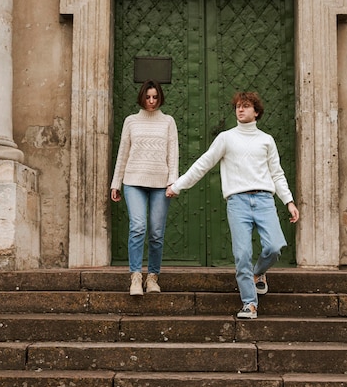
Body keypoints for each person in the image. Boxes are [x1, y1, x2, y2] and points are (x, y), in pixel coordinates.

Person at [166, 91, 299, 319]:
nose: (240, 109)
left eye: (246, 106)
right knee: (242, 253)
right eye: (238, 106)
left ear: (256, 112)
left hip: (265, 200)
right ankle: (249, 303)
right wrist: (178, 185)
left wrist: (288, 201)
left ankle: (258, 274)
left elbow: (277, 174)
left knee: (275, 247)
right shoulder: (226, 138)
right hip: (237, 202)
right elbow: (203, 163)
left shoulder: (266, 140)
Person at [111, 79, 179, 296]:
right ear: (142, 97)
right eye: (148, 97)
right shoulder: (131, 121)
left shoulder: (168, 121)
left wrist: (173, 181)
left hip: (161, 183)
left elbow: (173, 153)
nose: (151, 101)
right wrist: (116, 183)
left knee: (157, 233)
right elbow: (123, 152)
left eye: (155, 97)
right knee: (138, 227)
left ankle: (152, 277)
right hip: (133, 181)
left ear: (160, 98)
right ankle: (135, 277)